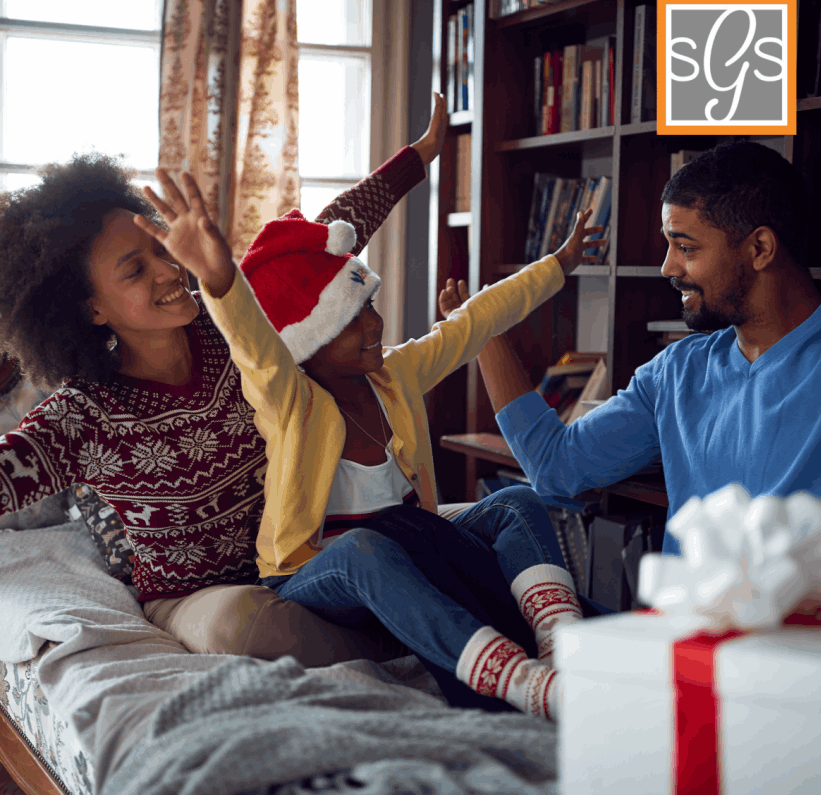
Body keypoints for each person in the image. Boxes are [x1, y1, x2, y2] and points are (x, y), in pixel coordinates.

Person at [133, 140, 604, 718]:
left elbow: (476, 321)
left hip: (411, 540)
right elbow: (255, 346)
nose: (377, 322)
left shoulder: (395, 375)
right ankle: (520, 682)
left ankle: (561, 644)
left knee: (516, 501)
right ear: (308, 338)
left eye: (370, 305)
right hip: (313, 574)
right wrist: (217, 277)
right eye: (354, 317)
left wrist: (558, 264)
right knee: (364, 549)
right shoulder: (290, 399)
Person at [0, 101, 450, 668]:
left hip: (303, 555)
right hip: (198, 599)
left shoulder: (238, 323)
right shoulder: (82, 415)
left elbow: (324, 239)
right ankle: (414, 651)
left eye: (163, 249)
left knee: (486, 515)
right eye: (135, 270)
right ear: (91, 309)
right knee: (244, 620)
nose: (168, 272)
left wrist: (419, 156)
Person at [456, 140, 821, 561]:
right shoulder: (676, 372)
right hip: (677, 621)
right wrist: (481, 327)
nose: (668, 267)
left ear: (759, 248)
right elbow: (555, 467)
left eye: (686, 248)